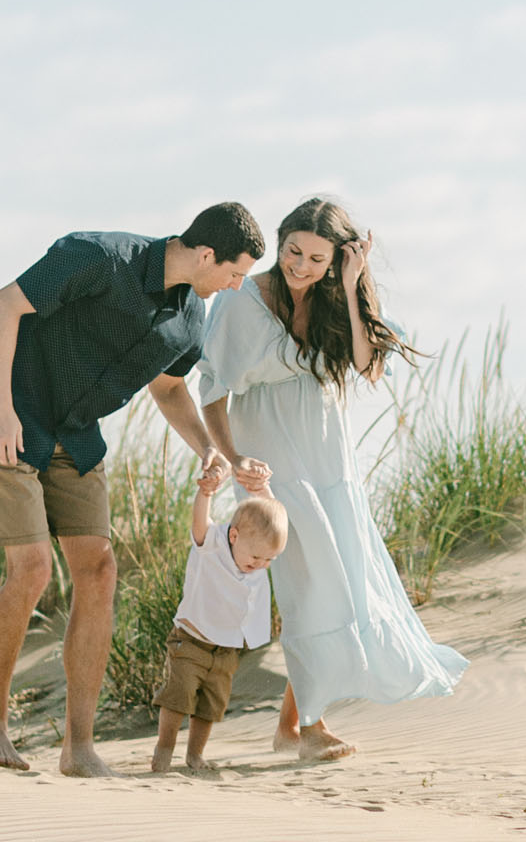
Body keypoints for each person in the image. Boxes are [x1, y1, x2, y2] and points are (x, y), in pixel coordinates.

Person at [0, 201, 268, 779]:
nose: (235, 285)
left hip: (75, 436)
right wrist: (0, 408)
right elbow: (1, 306)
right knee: (30, 569)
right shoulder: (100, 257)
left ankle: (78, 748)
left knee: (99, 569)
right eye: (234, 273)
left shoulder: (189, 319)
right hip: (10, 413)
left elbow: (170, 388)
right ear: (206, 255)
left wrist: (208, 449)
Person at [199, 197, 468, 762]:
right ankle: (307, 729)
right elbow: (213, 392)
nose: (300, 266)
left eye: (317, 259)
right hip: (273, 466)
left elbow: (370, 366)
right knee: (308, 588)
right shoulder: (243, 302)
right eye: (293, 251)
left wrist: (349, 287)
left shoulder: (331, 301)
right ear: (280, 243)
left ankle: (292, 727)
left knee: (336, 586)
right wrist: (232, 458)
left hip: (329, 463)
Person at [151, 469, 288, 773]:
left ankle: (195, 755)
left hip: (226, 650)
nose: (260, 566)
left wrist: (263, 490)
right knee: (178, 697)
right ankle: (164, 749)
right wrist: (206, 493)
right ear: (234, 535)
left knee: (210, 707)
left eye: (269, 561)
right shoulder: (211, 544)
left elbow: (276, 520)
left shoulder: (258, 555)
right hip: (190, 640)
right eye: (256, 559)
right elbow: (199, 523)